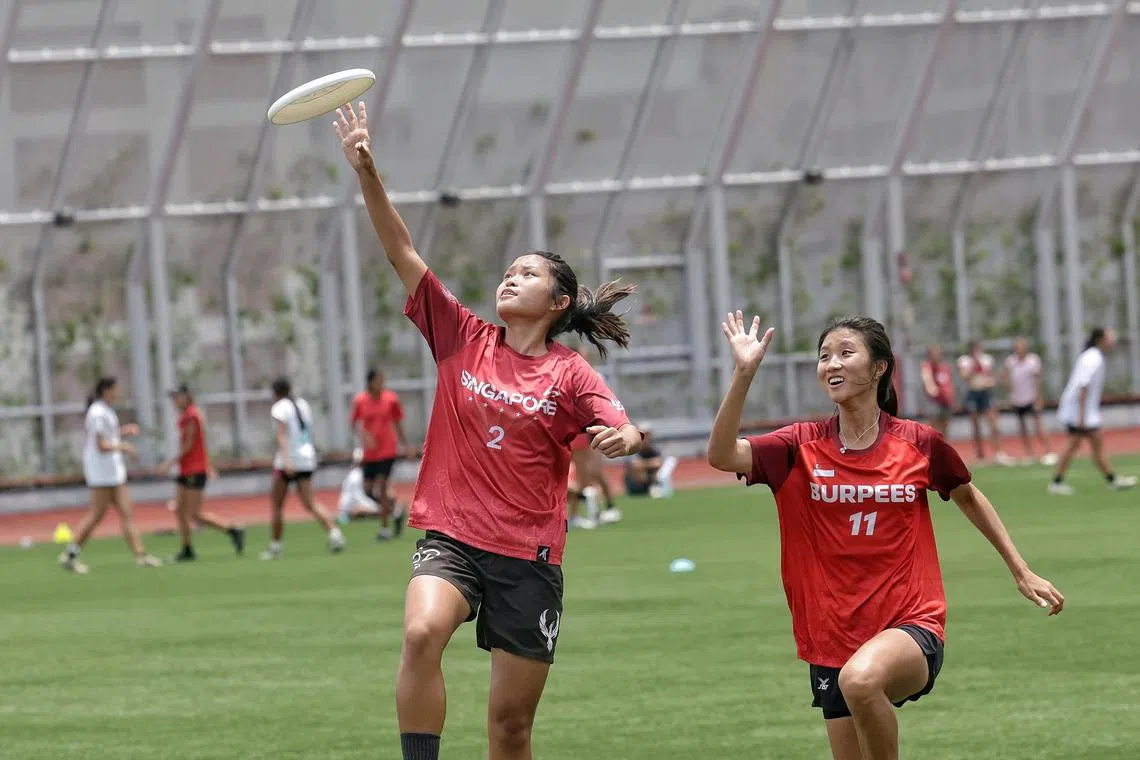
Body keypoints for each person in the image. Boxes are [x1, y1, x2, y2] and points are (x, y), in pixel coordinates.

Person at [335, 101, 643, 760]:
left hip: (526, 560)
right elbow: (401, 249)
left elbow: (619, 422)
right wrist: (368, 173)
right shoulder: (461, 334)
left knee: (509, 730)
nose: (511, 275)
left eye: (528, 273)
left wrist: (625, 438)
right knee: (421, 633)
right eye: (509, 269)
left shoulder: (569, 372)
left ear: (558, 303)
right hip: (452, 536)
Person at [707, 312, 1064, 760]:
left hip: (911, 626)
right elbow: (721, 455)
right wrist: (744, 373)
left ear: (879, 368)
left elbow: (969, 496)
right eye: (823, 356)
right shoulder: (798, 446)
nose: (831, 364)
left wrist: (1020, 569)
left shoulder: (918, 443)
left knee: (859, 679)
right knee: (851, 690)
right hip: (831, 638)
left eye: (845, 353)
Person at [59, 377, 162, 573]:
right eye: (115, 390)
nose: (118, 394)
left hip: (113, 471)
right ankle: (71, 554)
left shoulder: (105, 411)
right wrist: (122, 446)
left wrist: (124, 431)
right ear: (106, 390)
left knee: (126, 512)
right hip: (101, 471)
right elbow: (101, 445)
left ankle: (141, 555)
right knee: (97, 514)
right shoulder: (97, 413)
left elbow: (109, 435)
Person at [260, 377, 346, 560]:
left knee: (276, 504)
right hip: (306, 457)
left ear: (276, 393)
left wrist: (286, 459)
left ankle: (275, 546)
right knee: (310, 503)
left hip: (288, 461)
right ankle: (334, 533)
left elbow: (281, 435)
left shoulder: (279, 407)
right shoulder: (302, 404)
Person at [156, 384, 245, 560]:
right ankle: (187, 548)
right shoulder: (188, 415)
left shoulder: (191, 415)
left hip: (193, 469)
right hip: (187, 468)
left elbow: (190, 444)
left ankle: (232, 529)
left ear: (187, 396)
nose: (174, 401)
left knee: (193, 513)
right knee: (180, 510)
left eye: (177, 396)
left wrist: (169, 463)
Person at [1048, 327, 1137, 495]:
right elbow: (1083, 385)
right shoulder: (1092, 358)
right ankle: (1057, 483)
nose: (1113, 340)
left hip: (1084, 413)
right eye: (1110, 337)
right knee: (1075, 446)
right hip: (1079, 413)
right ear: (1100, 339)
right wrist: (1081, 416)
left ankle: (1111, 479)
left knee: (1091, 446)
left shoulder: (1093, 356)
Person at [350, 368, 410, 540]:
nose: (381, 384)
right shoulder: (360, 400)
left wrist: (405, 446)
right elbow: (354, 423)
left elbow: (398, 424)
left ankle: (384, 529)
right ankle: (396, 510)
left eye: (382, 380)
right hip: (370, 453)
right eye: (378, 380)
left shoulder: (391, 399)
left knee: (382, 487)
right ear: (370, 383)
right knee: (368, 491)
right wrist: (365, 435)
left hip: (387, 449)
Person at [1000, 337, 1057, 466]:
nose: (1018, 348)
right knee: (1023, 428)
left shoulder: (1033, 360)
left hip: (1031, 398)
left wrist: (1039, 398)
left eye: (1020, 346)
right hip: (1017, 400)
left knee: (1039, 426)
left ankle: (1049, 452)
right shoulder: (1011, 361)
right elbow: (1003, 376)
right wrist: (1010, 390)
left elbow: (1038, 381)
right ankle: (1029, 453)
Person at [956, 340, 1013, 465]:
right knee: (976, 426)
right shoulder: (964, 361)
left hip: (985, 393)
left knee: (993, 424)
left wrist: (991, 381)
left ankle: (999, 452)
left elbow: (991, 376)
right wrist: (973, 365)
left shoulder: (987, 359)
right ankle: (980, 455)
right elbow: (964, 376)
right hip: (973, 393)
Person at [624, 422, 677, 499]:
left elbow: (660, 463)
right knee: (640, 470)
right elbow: (635, 465)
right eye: (644, 435)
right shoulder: (633, 449)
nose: (646, 438)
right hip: (635, 486)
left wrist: (645, 464)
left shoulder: (654, 450)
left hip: (649, 481)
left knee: (658, 470)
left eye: (648, 435)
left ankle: (655, 488)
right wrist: (651, 463)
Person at [919, 344, 955, 437]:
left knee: (945, 425)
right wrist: (931, 388)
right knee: (934, 426)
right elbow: (927, 379)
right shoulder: (927, 366)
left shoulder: (945, 367)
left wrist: (951, 398)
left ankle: (944, 448)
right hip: (934, 401)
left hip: (946, 401)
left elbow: (949, 383)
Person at [338, 447, 382, 523]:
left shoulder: (356, 473)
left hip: (351, 503)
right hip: (350, 506)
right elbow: (358, 497)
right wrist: (375, 507)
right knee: (377, 510)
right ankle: (350, 516)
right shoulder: (356, 475)